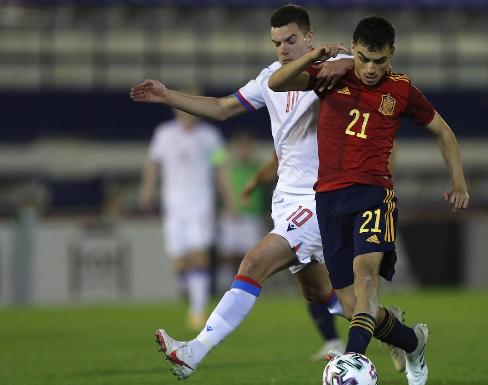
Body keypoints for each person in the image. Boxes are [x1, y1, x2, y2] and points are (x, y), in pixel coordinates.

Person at [129, 4, 376, 379]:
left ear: (309, 37)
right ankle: (399, 334)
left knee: (253, 263)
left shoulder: (331, 65)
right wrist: (168, 96)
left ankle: (194, 350)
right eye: (277, 42)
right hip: (286, 198)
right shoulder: (270, 80)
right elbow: (222, 107)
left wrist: (345, 61)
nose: (283, 48)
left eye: (291, 39)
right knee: (317, 291)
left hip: (319, 197)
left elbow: (373, 71)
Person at [269, 16, 469, 385]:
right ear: (353, 48)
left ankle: (352, 361)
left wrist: (459, 182)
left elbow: (443, 132)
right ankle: (413, 340)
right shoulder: (331, 75)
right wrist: (316, 56)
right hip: (327, 200)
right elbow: (276, 82)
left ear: (392, 54)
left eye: (380, 60)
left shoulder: (403, 91)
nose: (371, 68)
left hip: (374, 194)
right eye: (363, 58)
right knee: (352, 307)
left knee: (365, 278)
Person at [139, 101, 236, 330]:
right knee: (179, 261)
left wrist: (229, 200)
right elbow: (153, 164)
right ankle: (192, 293)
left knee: (198, 254)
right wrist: (147, 190)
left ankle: (198, 311)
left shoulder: (210, 135)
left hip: (200, 205)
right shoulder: (164, 134)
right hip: (173, 206)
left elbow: (220, 168)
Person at [216, 131, 266, 293]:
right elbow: (223, 185)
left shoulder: (258, 168)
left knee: (251, 256)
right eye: (241, 147)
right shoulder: (230, 168)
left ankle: (249, 288)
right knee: (228, 254)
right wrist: (230, 206)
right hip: (232, 216)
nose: (245, 150)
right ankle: (224, 287)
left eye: (248, 147)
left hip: (253, 216)